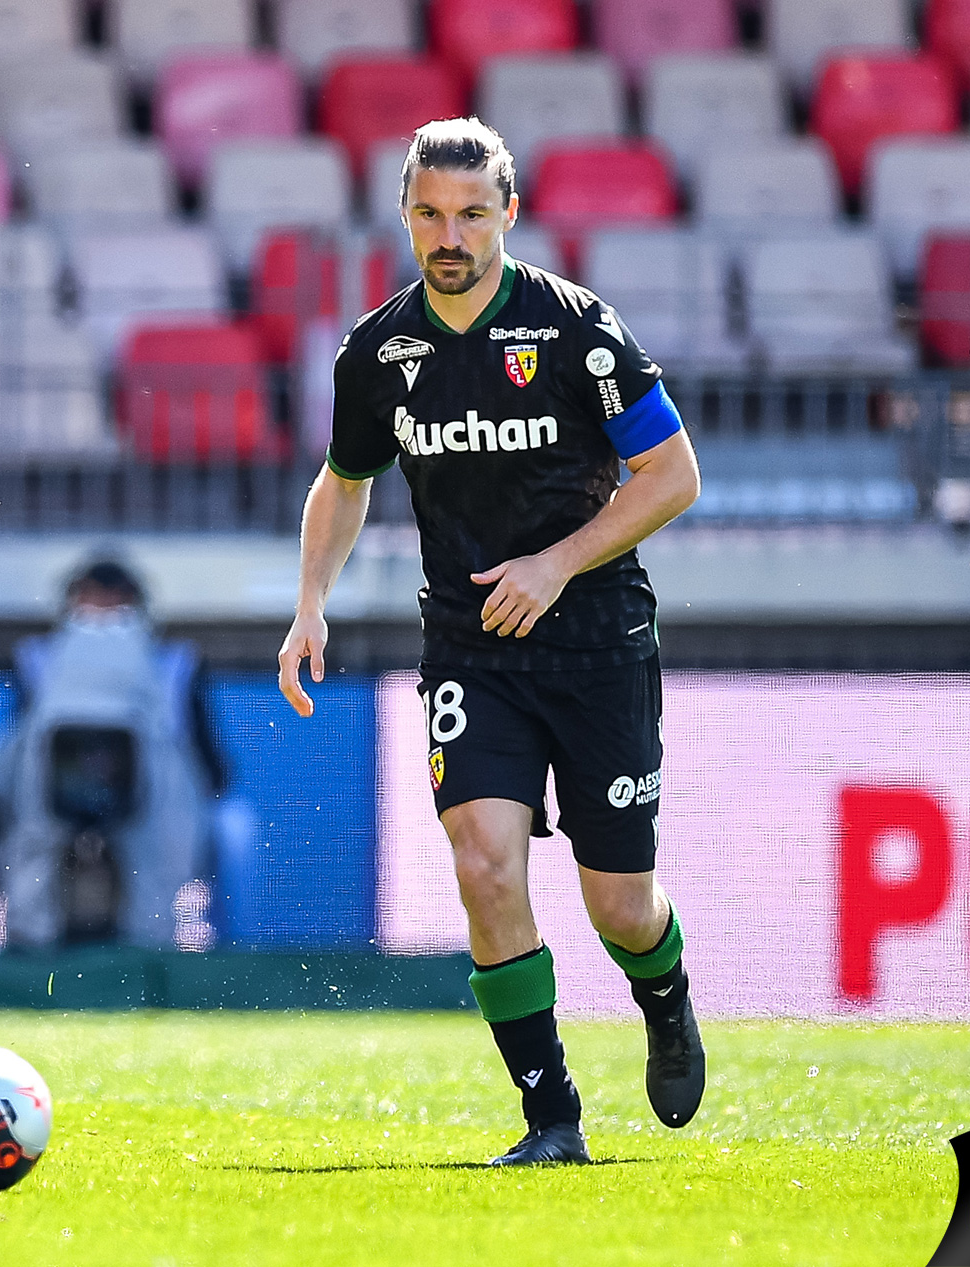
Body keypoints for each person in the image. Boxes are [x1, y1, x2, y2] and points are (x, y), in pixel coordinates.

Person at [277, 117, 706, 1167]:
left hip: (598, 642)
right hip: (470, 651)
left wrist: (556, 562)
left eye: (471, 213)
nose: (449, 234)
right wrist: (306, 606)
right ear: (404, 215)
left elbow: (672, 476)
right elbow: (344, 482)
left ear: (507, 214)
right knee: (481, 862)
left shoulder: (575, 331)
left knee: (618, 903)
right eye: (428, 212)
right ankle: (549, 1114)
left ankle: (663, 996)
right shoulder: (377, 353)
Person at [0, 559, 227, 949]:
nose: (103, 613)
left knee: (235, 831)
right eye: (91, 599)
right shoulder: (37, 659)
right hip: (44, 795)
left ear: (135, 604)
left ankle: (230, 954)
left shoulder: (177, 663)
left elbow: (211, 761)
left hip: (157, 799)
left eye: (115, 602)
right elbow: (17, 737)